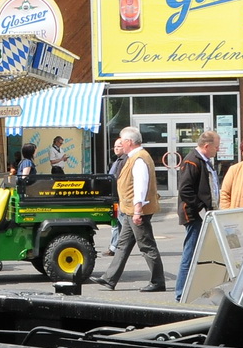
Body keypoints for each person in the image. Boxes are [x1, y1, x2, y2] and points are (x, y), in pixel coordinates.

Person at [94, 127, 165, 292]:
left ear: (129, 142)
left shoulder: (139, 159)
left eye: (122, 141)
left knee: (146, 245)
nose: (120, 143)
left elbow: (140, 186)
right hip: (130, 210)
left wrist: (138, 211)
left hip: (136, 211)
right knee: (123, 245)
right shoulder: (134, 157)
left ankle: (158, 281)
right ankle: (109, 279)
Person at [175, 130, 221, 300]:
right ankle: (180, 294)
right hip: (192, 214)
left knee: (199, 253)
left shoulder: (205, 161)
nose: (218, 149)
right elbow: (185, 189)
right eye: (216, 147)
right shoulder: (192, 160)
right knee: (190, 253)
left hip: (203, 213)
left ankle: (196, 290)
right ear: (207, 146)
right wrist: (199, 206)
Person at [104, 136, 131, 258]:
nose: (115, 148)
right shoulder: (117, 160)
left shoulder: (125, 160)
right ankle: (114, 247)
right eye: (114, 146)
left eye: (118, 146)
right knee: (118, 224)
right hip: (115, 197)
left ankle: (118, 248)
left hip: (120, 197)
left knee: (125, 224)